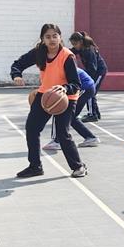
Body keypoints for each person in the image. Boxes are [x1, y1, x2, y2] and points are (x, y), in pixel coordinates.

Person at [10, 24, 87, 178]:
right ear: (43, 39)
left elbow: (76, 84)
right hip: (45, 95)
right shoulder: (39, 52)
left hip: (66, 97)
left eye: (55, 36)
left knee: (62, 133)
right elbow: (18, 64)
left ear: (60, 37)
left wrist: (64, 88)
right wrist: (16, 75)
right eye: (48, 36)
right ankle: (35, 166)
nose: (52, 39)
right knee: (32, 128)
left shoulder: (67, 56)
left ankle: (79, 166)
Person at [42, 68, 101, 150]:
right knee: (71, 116)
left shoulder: (59, 68)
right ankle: (90, 137)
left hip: (85, 87)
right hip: (83, 87)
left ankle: (57, 141)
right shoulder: (56, 68)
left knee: (59, 111)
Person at [69, 31, 108, 122]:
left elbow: (93, 68)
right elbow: (71, 51)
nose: (74, 46)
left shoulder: (89, 50)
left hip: (98, 72)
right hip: (92, 72)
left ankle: (92, 115)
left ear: (80, 42)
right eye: (73, 44)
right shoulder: (80, 48)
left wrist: (84, 77)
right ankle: (96, 113)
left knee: (90, 92)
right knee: (91, 92)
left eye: (75, 44)